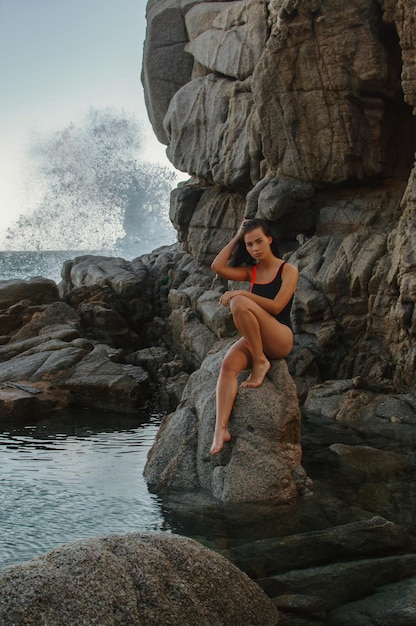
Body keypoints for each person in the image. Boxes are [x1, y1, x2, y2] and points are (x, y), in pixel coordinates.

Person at [210, 218, 298, 455]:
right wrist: (238, 236)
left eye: (259, 241)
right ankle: (221, 429)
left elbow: (278, 306)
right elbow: (217, 267)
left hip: (280, 338)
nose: (255, 248)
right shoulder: (252, 271)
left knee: (239, 301)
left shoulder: (288, 270)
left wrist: (241, 292)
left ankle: (260, 361)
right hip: (257, 337)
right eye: (249, 245)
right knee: (228, 365)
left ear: (269, 240)